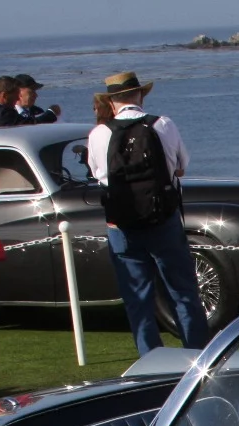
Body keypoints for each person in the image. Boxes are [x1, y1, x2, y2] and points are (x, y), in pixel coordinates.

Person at [86, 70, 210, 354]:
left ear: (111, 101)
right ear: (140, 94)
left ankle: (150, 360)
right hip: (163, 217)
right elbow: (181, 166)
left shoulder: (99, 134)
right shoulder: (162, 124)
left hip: (122, 224)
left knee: (137, 298)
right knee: (183, 293)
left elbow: (97, 174)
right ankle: (197, 353)